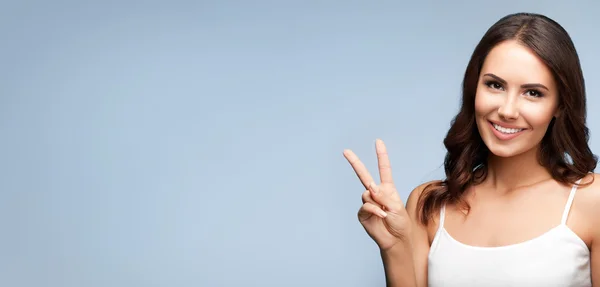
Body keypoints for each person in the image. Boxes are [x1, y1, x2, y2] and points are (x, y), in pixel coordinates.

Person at [344, 12, 600, 287]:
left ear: (560, 105)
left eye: (533, 93)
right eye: (495, 85)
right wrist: (394, 249)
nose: (507, 110)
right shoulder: (428, 204)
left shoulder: (592, 201)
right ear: (473, 88)